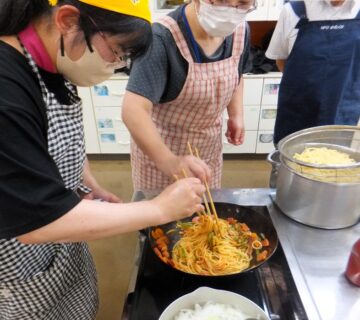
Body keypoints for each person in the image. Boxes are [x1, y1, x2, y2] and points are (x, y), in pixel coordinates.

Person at [0, 0, 205, 319]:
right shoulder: (7, 91)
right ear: (68, 20)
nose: (117, 66)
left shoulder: (53, 60)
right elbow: (36, 222)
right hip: (19, 258)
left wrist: (86, 184)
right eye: (117, 52)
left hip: (63, 241)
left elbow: (54, 139)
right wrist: (159, 209)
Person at [122, 0, 255, 192]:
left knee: (204, 215)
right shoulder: (161, 38)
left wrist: (236, 115)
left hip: (208, 148)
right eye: (221, 0)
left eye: (242, 3)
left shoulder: (241, 31)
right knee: (165, 220)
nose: (230, 9)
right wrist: (170, 162)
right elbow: (133, 110)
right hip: (162, 153)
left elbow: (237, 74)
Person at [266, 0, 360, 144]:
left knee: (333, 158)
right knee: (292, 157)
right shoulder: (293, 11)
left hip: (343, 108)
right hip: (298, 107)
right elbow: (281, 60)